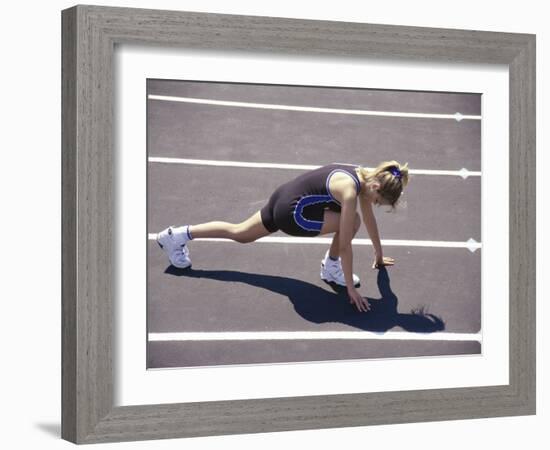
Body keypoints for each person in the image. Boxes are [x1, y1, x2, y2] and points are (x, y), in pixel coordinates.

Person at [156, 160, 409, 312]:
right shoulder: (351, 192)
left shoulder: (361, 174)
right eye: (378, 200)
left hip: (283, 196)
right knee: (350, 221)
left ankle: (177, 235)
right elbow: (345, 244)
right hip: (294, 214)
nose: (374, 204)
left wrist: (378, 253)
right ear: (376, 187)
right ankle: (330, 269)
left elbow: (370, 219)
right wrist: (350, 290)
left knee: (240, 233)